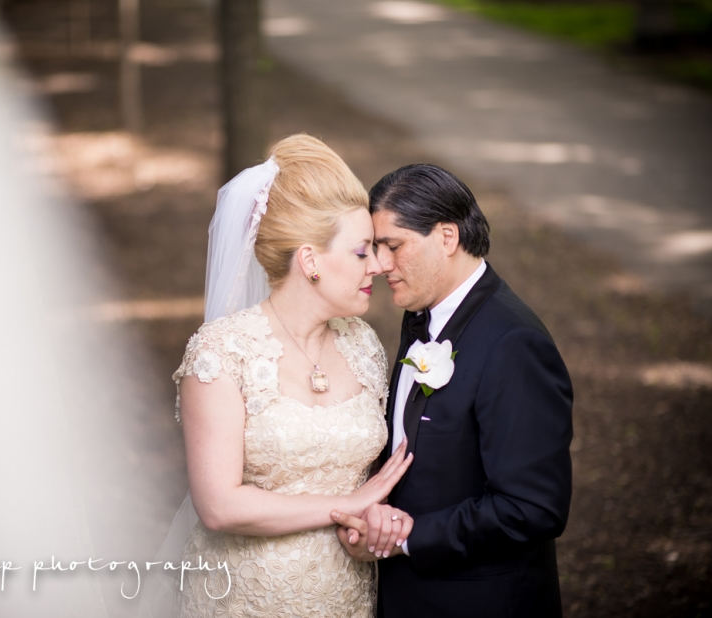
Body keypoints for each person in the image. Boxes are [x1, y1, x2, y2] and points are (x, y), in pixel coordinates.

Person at [167, 134, 414, 617]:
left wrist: (374, 519)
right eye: (362, 251)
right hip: (246, 596)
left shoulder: (362, 344)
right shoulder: (221, 353)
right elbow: (218, 507)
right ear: (310, 261)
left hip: (345, 595)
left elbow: (378, 474)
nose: (380, 266)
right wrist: (351, 502)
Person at [332, 164, 574, 617]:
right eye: (376, 248)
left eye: (393, 246)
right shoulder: (423, 313)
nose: (381, 265)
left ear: (447, 237)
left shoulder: (513, 344)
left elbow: (532, 507)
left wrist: (404, 536)